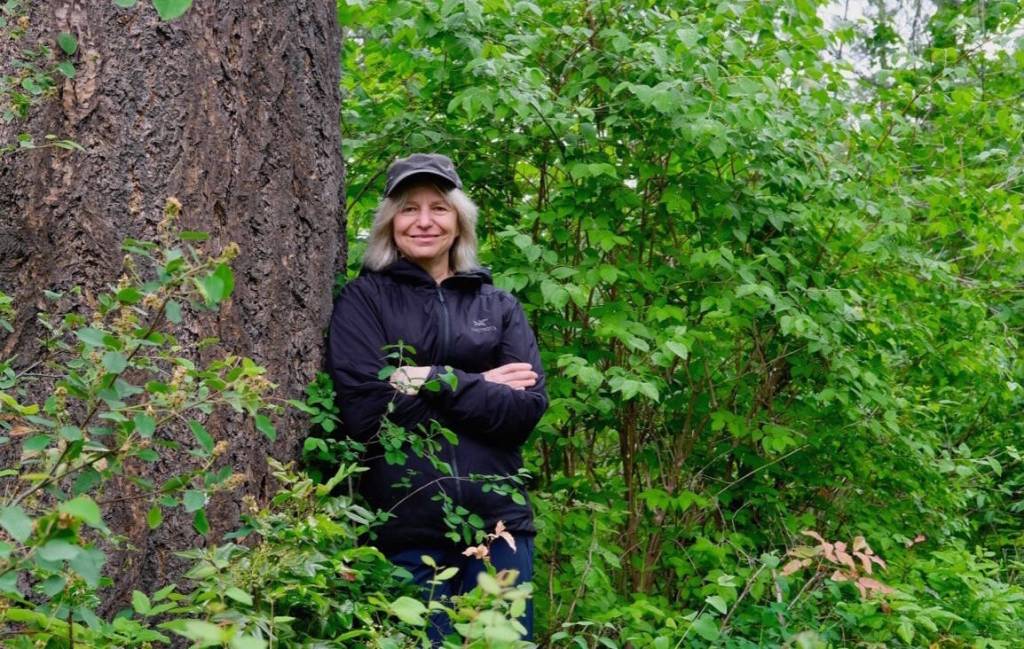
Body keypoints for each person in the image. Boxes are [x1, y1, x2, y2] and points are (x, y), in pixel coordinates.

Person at [326, 153, 548, 642]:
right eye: (409, 208)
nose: (424, 221)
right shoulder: (365, 300)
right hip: (406, 527)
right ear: (390, 223)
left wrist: (430, 376)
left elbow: (525, 411)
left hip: (499, 526)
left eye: (438, 208)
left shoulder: (499, 306)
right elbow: (368, 414)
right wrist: (483, 383)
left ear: (459, 221)